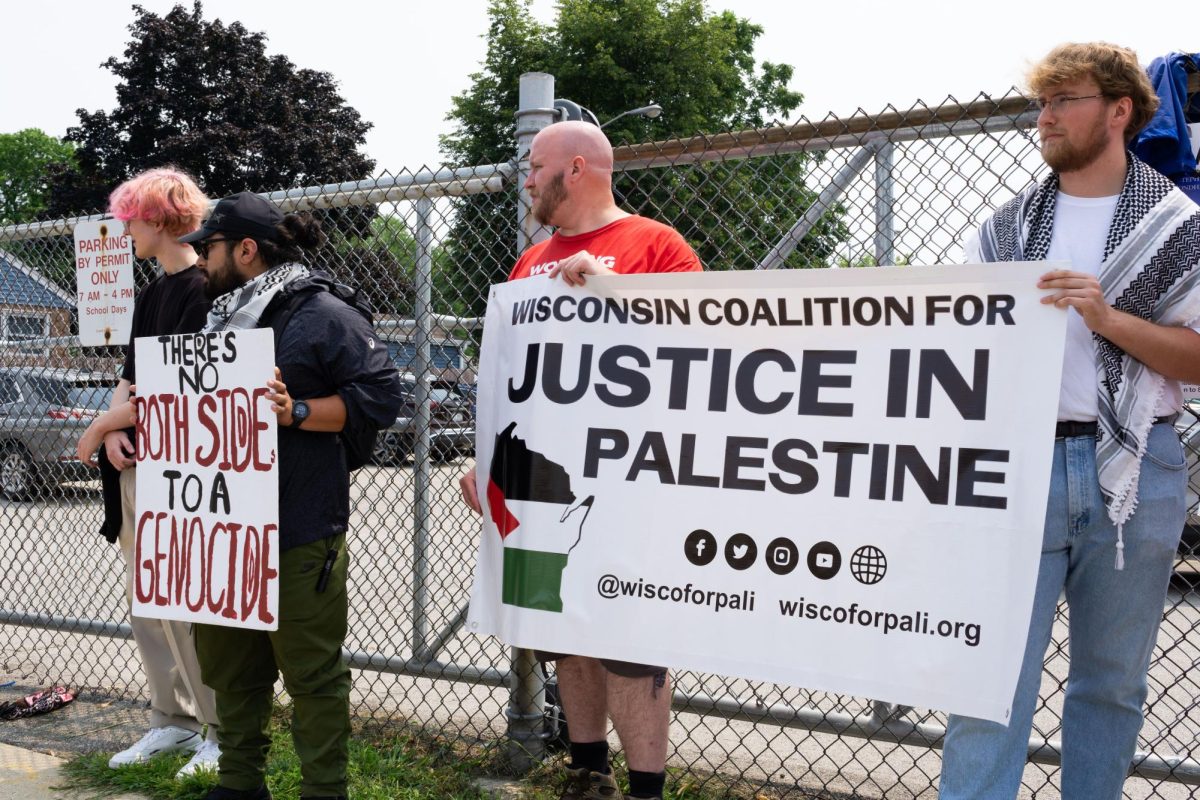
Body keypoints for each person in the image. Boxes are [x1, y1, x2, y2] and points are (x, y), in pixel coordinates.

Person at [940, 42, 1200, 800]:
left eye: (1065, 101)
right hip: (1014, 467)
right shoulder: (1005, 228)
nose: (1045, 118)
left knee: (1110, 687)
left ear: (1119, 111)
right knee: (988, 681)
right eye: (1042, 104)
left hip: (1134, 470)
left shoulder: (1176, 225)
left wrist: (1107, 316)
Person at [459, 120, 703, 800]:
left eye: (534, 166)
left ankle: (645, 789)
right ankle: (587, 773)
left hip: (630, 483)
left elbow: (703, 343)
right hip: (541, 479)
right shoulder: (526, 264)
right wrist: (486, 459)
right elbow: (509, 377)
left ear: (574, 168)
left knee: (629, 637)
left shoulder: (654, 243)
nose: (526, 179)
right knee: (561, 628)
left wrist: (610, 286)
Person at [177, 192, 403, 800]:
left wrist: (295, 409)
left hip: (299, 528)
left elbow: (383, 398)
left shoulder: (323, 314)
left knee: (311, 675)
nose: (199, 260)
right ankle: (239, 782)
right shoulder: (218, 319)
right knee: (232, 667)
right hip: (224, 530)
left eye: (209, 248)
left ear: (246, 250)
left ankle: (324, 791)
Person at [76, 167, 222, 778]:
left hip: (181, 473)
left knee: (188, 599)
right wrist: (114, 431)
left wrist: (102, 429)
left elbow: (184, 391)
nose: (125, 227)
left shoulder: (202, 290)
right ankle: (171, 719)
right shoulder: (150, 292)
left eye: (131, 216)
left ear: (159, 217)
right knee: (148, 598)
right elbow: (134, 378)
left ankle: (218, 729)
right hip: (140, 464)